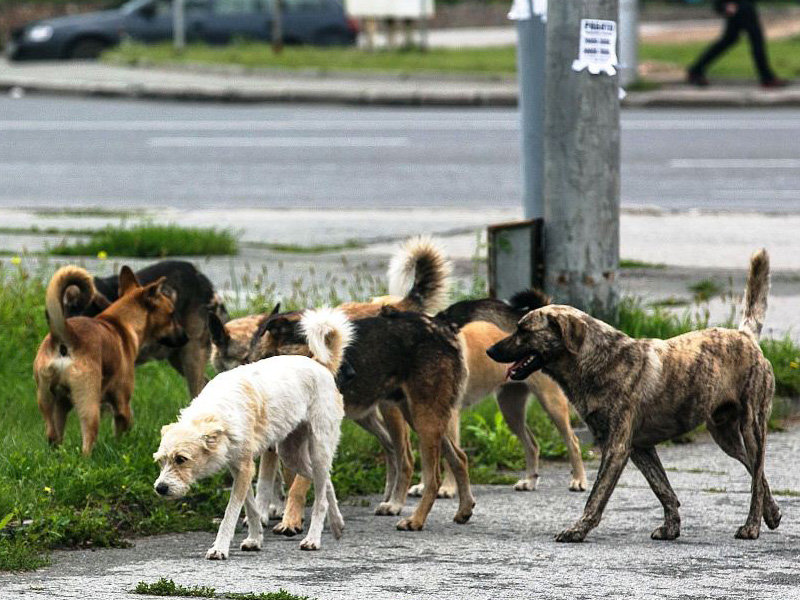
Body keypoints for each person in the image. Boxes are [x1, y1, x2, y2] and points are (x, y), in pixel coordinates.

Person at [687, 0, 787, 88]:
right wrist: (727, 3)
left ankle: (696, 70)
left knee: (729, 39)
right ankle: (767, 78)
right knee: (756, 39)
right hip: (740, 5)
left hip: (738, 4)